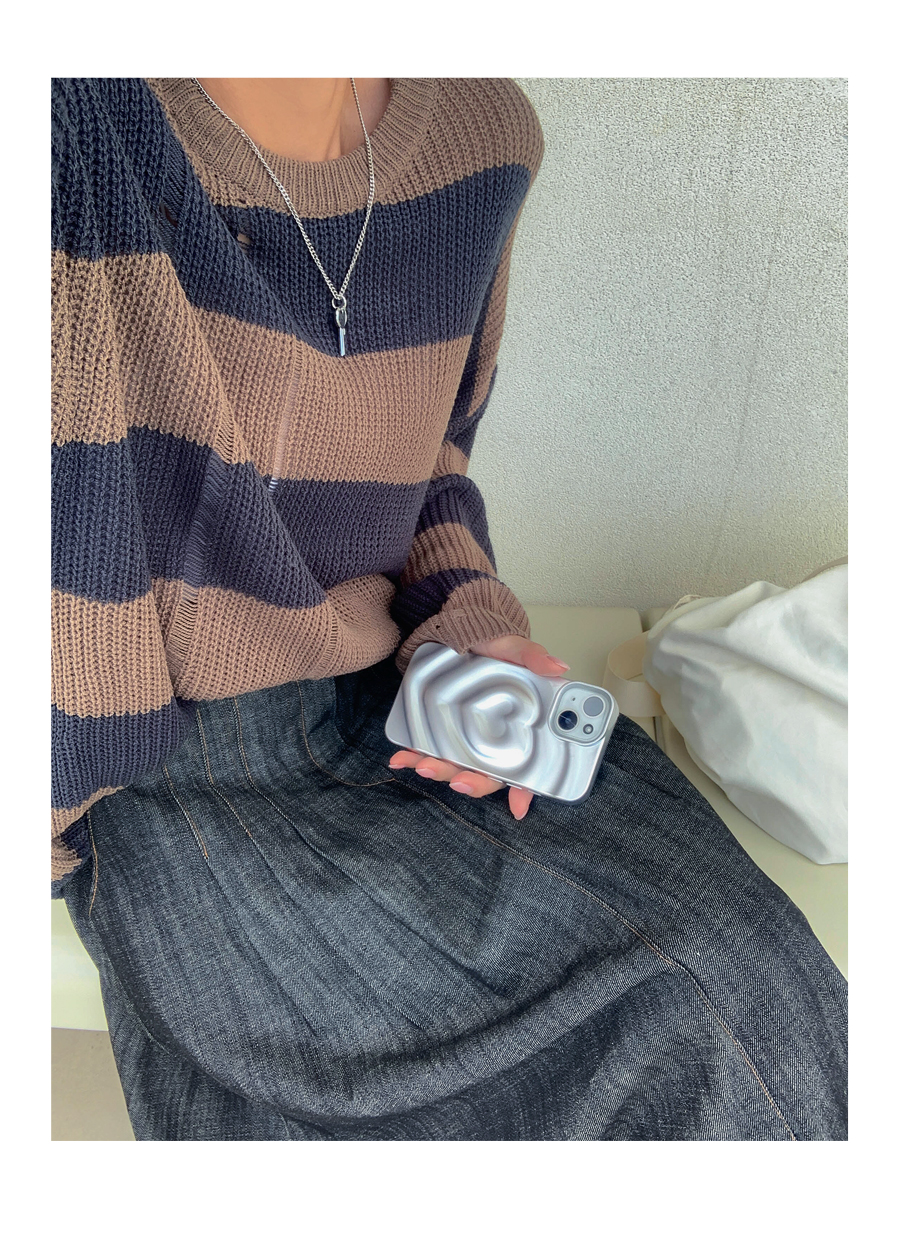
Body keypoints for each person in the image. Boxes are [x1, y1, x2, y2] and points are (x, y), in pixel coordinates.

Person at [51, 76, 848, 1141]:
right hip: (155, 751)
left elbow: (431, 467)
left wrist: (471, 626)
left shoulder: (484, 138)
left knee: (752, 1004)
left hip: (415, 703)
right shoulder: (74, 123)